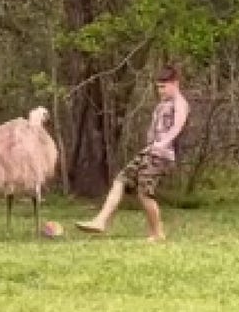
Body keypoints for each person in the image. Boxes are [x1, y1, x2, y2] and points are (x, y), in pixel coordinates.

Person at [75, 64, 189, 241]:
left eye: (163, 87)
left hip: (163, 155)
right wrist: (150, 143)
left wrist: (163, 143)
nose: (160, 91)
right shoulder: (161, 105)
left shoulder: (180, 103)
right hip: (150, 151)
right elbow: (153, 128)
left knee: (144, 193)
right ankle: (100, 221)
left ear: (175, 83)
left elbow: (177, 126)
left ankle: (157, 233)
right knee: (120, 181)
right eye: (158, 87)